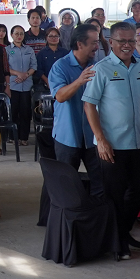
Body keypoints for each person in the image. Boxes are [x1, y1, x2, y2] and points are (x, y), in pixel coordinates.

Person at [82, 21, 140, 259]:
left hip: (137, 142)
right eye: (122, 41)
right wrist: (100, 139)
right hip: (111, 146)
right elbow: (89, 105)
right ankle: (117, 244)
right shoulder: (100, 69)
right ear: (110, 42)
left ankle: (121, 232)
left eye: (131, 41)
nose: (127, 46)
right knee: (113, 196)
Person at [49, 24, 103, 195]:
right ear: (80, 44)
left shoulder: (98, 66)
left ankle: (96, 218)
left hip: (92, 136)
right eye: (93, 42)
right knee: (65, 184)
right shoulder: (60, 66)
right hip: (68, 136)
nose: (97, 46)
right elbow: (60, 96)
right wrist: (79, 81)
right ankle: (65, 220)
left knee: (100, 182)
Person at [6, 25, 36, 146]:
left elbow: (34, 66)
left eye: (21, 34)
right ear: (12, 35)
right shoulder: (7, 50)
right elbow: (5, 67)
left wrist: (26, 75)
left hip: (27, 84)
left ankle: (24, 137)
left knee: (25, 112)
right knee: (13, 111)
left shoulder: (29, 50)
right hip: (13, 84)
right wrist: (18, 74)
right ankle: (13, 137)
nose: (19, 36)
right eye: (16, 34)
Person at [35, 27, 69, 94]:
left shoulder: (65, 53)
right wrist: (47, 81)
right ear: (46, 38)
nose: (53, 38)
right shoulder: (41, 53)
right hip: (45, 86)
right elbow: (39, 70)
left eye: (56, 36)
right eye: (50, 36)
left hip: (63, 85)